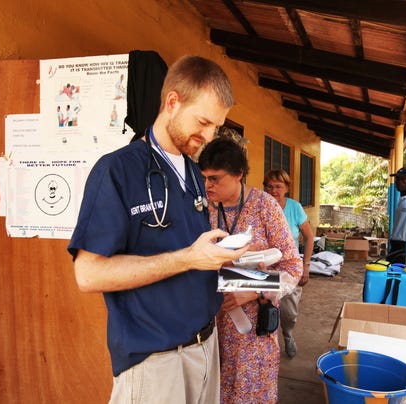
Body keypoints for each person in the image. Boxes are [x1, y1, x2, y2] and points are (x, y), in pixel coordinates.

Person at [67, 55, 248, 404]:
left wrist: (222, 258)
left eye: (216, 127)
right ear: (172, 102)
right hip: (156, 360)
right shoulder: (117, 171)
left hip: (205, 348)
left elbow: (187, 249)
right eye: (203, 122)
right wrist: (189, 258)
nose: (209, 136)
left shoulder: (194, 174)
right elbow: (87, 275)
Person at [198, 137, 302, 403]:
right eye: (205, 178)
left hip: (253, 333)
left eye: (215, 179)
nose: (207, 186)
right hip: (212, 329)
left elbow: (293, 267)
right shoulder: (202, 210)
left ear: (239, 174)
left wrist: (253, 290)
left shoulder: (265, 207)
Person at [264, 169, 313, 359]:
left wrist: (306, 266)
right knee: (265, 308)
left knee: (289, 312)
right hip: (266, 267)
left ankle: (288, 335)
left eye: (278, 186)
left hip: (289, 268)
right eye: (270, 186)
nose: (274, 190)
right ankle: (269, 344)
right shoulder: (262, 206)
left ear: (287, 188)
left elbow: (309, 237)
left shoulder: (294, 207)